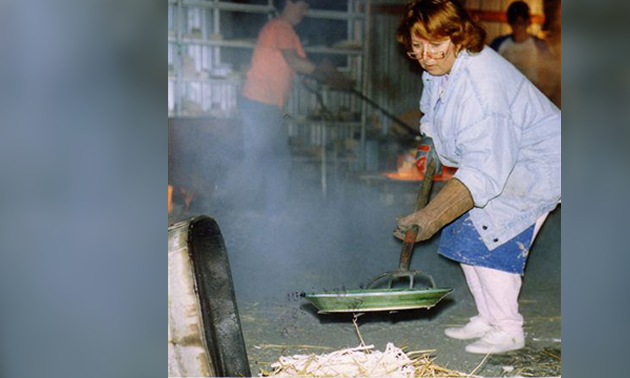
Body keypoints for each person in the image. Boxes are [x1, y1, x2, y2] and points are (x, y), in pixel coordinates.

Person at [394, 0, 561, 354]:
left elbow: (486, 168)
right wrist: (432, 143)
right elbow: (433, 109)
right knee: (465, 236)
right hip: (504, 157)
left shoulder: (483, 88)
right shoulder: (439, 68)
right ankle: (488, 317)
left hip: (537, 164)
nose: (426, 56)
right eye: (417, 47)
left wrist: (430, 216)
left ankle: (508, 329)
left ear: (457, 38)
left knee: (491, 240)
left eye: (436, 46)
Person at [237, 0, 353, 214]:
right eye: (303, 4)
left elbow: (292, 67)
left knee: (263, 159)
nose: (305, 10)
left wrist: (317, 76)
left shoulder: (284, 30)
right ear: (289, 2)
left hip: (261, 104)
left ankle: (250, 212)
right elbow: (295, 62)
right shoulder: (280, 27)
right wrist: (329, 75)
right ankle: (259, 213)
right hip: (260, 103)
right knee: (274, 161)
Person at [489, 1, 556, 98]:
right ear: (510, 23)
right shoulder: (498, 44)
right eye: (514, 23)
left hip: (531, 95)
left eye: (521, 23)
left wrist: (543, 93)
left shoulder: (540, 46)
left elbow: (551, 74)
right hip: (504, 95)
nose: (518, 27)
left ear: (527, 22)